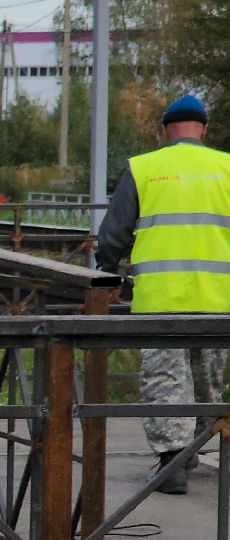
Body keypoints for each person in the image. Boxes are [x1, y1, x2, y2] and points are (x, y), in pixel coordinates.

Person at [97, 92, 230, 496]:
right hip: (218, 299)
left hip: (160, 298)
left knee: (165, 379)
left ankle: (173, 461)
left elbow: (114, 234)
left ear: (164, 130)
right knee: (208, 382)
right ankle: (199, 446)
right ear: (204, 130)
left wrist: (107, 272)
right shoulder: (226, 167)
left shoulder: (144, 168)